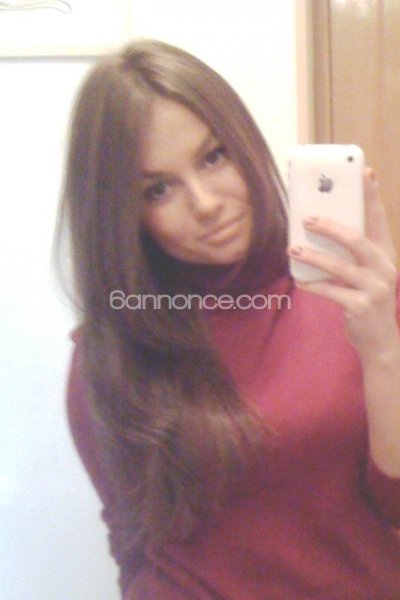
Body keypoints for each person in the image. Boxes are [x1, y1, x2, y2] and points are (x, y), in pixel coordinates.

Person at [56, 39, 400, 599]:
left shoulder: (362, 300)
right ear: (124, 213)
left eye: (213, 157)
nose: (206, 203)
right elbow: (133, 544)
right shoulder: (113, 350)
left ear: (243, 143)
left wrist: (385, 350)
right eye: (158, 189)